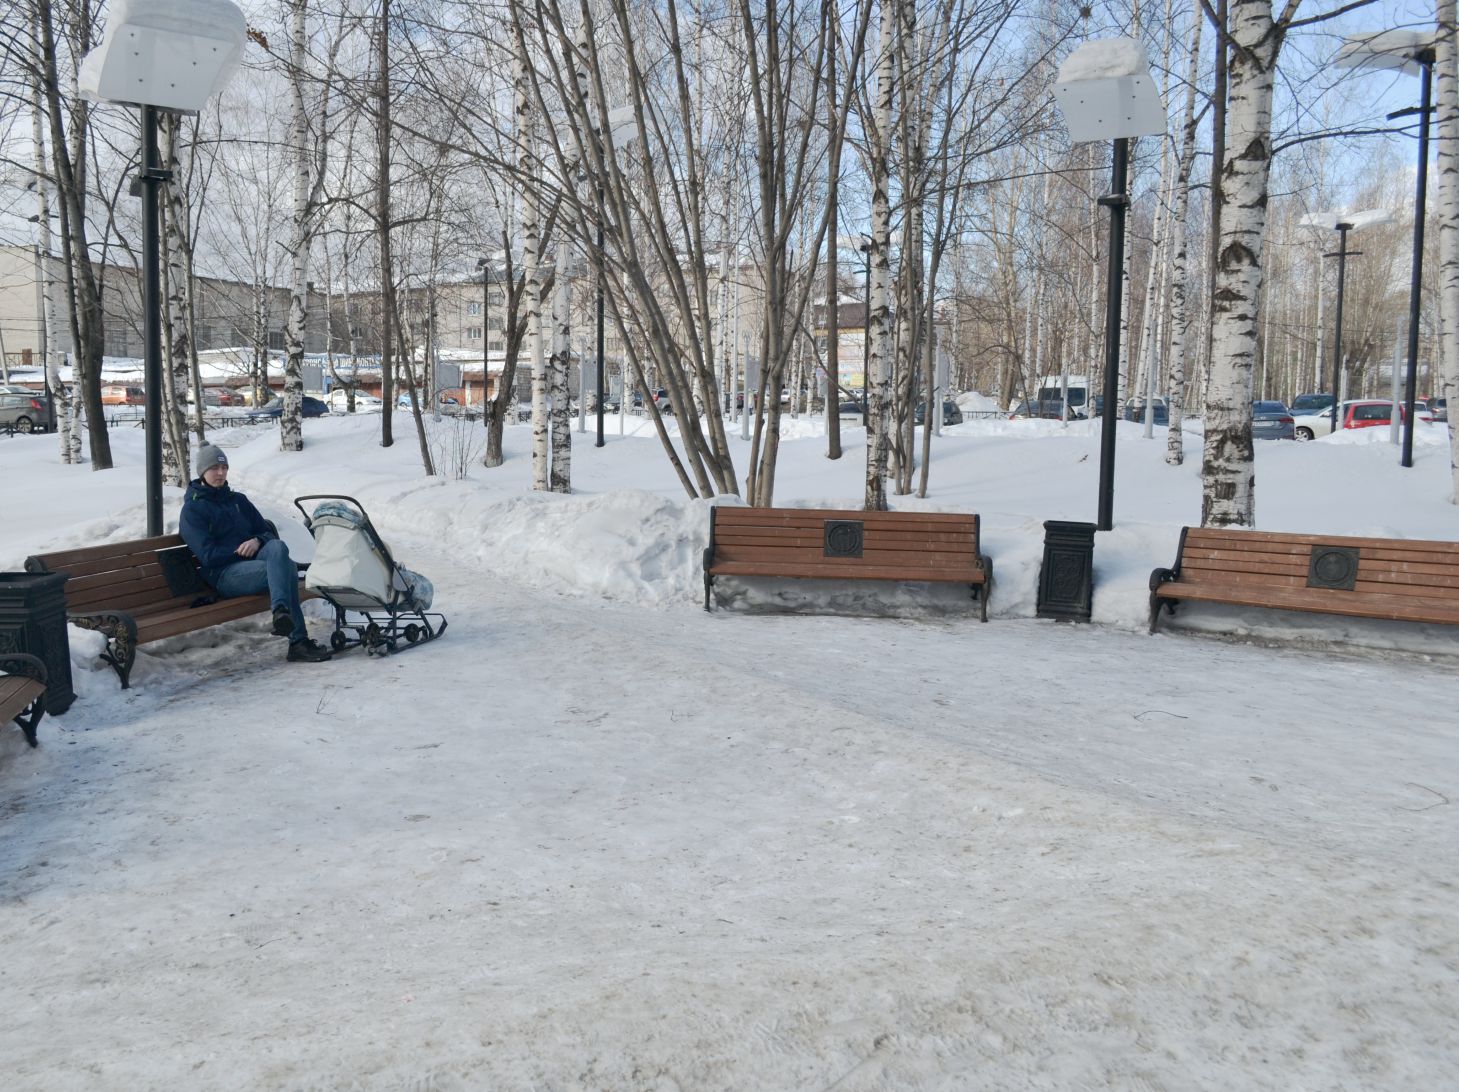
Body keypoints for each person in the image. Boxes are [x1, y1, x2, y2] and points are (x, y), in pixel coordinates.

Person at [179, 444, 332, 662]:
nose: (221, 473)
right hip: (224, 575)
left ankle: (281, 611)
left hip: (255, 565)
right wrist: (240, 550)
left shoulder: (238, 500)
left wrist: (257, 540)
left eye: (224, 467)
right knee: (286, 567)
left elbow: (267, 533)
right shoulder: (192, 510)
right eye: (214, 468)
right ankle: (297, 641)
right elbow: (208, 556)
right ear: (202, 472)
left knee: (278, 548)